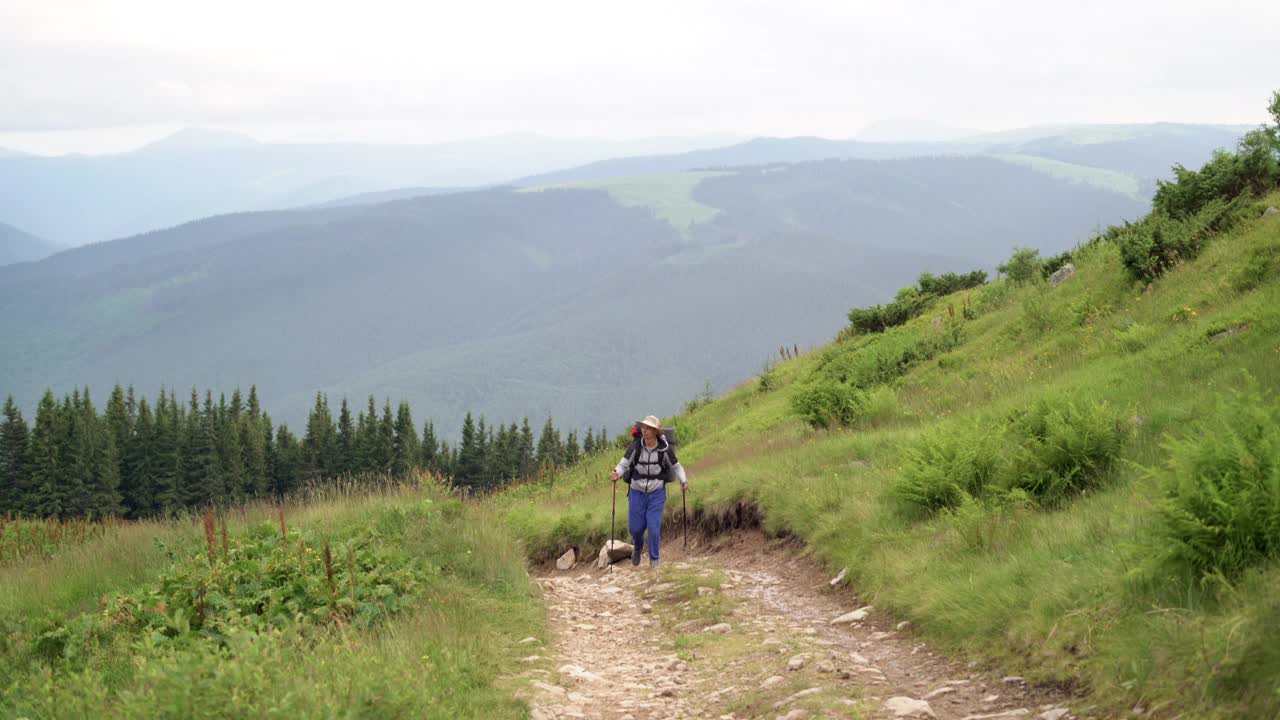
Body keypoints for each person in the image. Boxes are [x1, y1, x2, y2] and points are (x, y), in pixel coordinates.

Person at [609, 415, 688, 567]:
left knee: (653, 527)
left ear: (656, 432)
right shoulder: (636, 447)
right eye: (644, 428)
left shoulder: (664, 449)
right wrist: (616, 473)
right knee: (635, 529)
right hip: (636, 492)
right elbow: (623, 465)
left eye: (649, 428)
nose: (644, 431)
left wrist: (683, 481)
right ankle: (637, 547)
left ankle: (655, 561)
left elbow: (677, 466)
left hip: (657, 493)